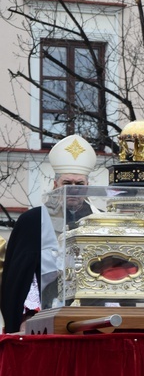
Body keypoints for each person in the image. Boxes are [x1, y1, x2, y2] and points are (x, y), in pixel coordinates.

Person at [1, 134, 97, 333]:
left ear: (88, 186)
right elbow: (22, 277)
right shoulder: (33, 220)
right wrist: (27, 316)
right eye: (67, 183)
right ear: (55, 186)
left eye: (79, 184)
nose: (73, 189)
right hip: (43, 319)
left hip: (90, 317)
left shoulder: (98, 220)